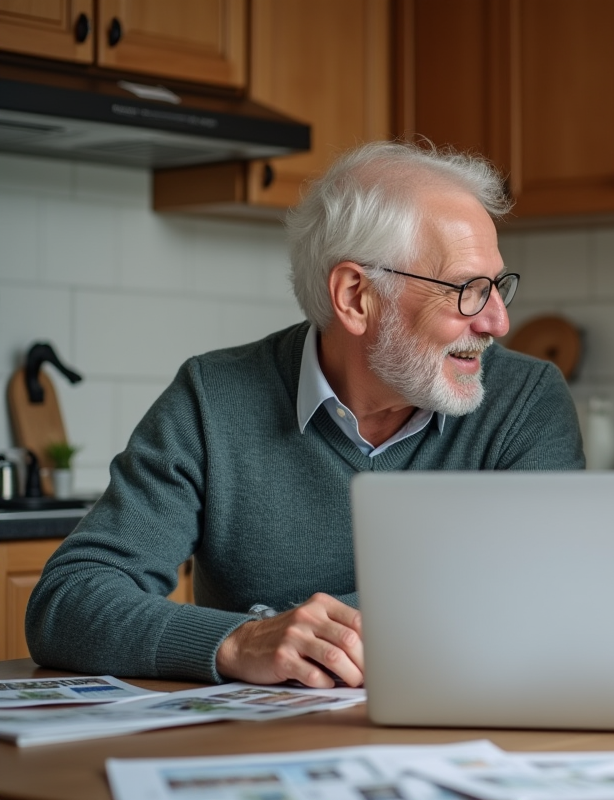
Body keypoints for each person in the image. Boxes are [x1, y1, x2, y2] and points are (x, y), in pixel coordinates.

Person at [26, 141, 585, 689]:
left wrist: (303, 633)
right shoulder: (212, 399)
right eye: (467, 289)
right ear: (355, 296)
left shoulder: (525, 400)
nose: (497, 321)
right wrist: (243, 641)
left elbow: (545, 595)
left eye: (498, 286)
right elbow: (68, 601)